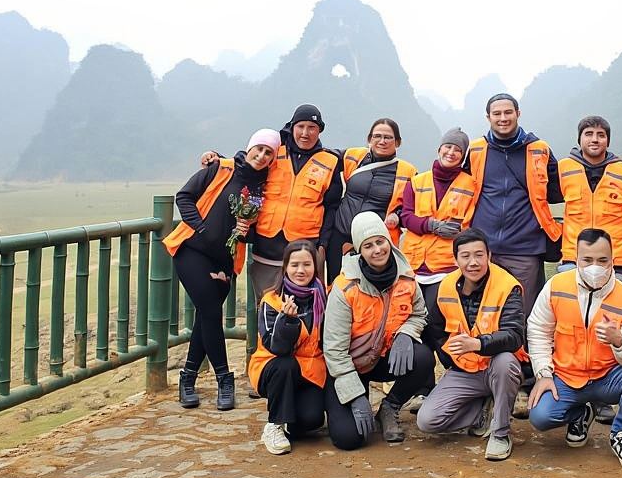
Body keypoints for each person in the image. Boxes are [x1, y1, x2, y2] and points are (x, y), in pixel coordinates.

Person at [165, 129, 278, 411]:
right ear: (249, 147)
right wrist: (201, 228)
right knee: (211, 311)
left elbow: (251, 230)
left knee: (207, 315)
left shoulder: (261, 189)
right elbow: (184, 197)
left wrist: (244, 232)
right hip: (191, 250)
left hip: (225, 259)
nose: (262, 156)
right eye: (259, 149)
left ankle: (187, 378)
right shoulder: (220, 167)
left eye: (269, 153)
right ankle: (224, 380)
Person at [525, 228, 622, 471]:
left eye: (602, 260)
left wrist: (619, 341)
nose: (595, 266)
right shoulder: (556, 286)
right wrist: (543, 373)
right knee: (540, 417)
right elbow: (538, 329)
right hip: (566, 376)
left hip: (608, 377)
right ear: (576, 258)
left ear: (612, 260)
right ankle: (579, 415)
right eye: (587, 260)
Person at [323, 211, 435, 450]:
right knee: (349, 439)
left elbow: (419, 314)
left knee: (423, 356)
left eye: (380, 241)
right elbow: (334, 351)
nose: (377, 250)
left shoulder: (406, 277)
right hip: (350, 367)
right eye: (368, 245)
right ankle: (343, 402)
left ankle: (390, 406)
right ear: (359, 251)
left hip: (387, 359)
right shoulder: (345, 288)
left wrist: (406, 333)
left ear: (389, 241)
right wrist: (355, 396)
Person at [417, 230, 525, 461]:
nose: (473, 262)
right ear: (456, 260)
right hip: (465, 369)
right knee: (427, 421)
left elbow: (515, 335)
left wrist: (477, 344)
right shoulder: (445, 287)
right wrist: (449, 358)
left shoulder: (508, 286)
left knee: (505, 362)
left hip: (497, 366)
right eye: (465, 256)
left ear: (489, 256)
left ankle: (501, 433)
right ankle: (481, 413)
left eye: (479, 255)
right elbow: (436, 328)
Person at [464, 95, 562, 321]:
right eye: (496, 114)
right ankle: (487, 355)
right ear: (488, 117)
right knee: (483, 311)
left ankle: (525, 355)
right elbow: (460, 187)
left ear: (518, 113)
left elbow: (558, 190)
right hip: (483, 246)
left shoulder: (539, 149)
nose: (503, 118)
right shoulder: (477, 149)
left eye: (508, 112)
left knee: (525, 312)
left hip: (525, 247)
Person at [251, 104, 342, 301]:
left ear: (320, 130)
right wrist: (215, 156)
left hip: (305, 246)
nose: (305, 133)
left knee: (304, 307)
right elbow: (247, 163)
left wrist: (323, 245)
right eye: (300, 126)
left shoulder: (331, 161)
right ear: (292, 127)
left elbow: (331, 207)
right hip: (266, 245)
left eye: (312, 127)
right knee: (266, 305)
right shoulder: (274, 152)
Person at [248, 240, 328, 455]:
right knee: (285, 364)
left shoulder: (324, 297)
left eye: (307, 264)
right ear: (285, 267)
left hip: (310, 370)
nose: (301, 271)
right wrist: (288, 322)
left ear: (316, 267)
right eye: (294, 265)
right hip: (274, 368)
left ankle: (292, 416)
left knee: (311, 420)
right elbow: (276, 348)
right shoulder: (271, 300)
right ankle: (274, 424)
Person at [399, 127, 476, 325]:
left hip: (446, 266)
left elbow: (474, 222)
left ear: (463, 156)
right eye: (447, 147)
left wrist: (460, 233)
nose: (451, 152)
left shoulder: (471, 185)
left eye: (457, 150)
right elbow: (406, 217)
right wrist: (431, 225)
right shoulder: (416, 181)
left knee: (434, 321)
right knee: (407, 317)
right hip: (412, 265)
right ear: (439, 149)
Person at [329, 118, 417, 281]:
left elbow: (413, 207)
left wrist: (397, 215)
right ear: (369, 139)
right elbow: (324, 157)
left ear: (397, 142)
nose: (382, 141)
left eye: (388, 137)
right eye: (377, 136)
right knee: (335, 285)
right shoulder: (354, 156)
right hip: (340, 235)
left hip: (374, 242)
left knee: (367, 289)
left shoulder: (408, 172)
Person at [557, 116, 622, 289]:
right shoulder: (562, 169)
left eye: (601, 135)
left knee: (618, 312)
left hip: (619, 260)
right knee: (572, 312)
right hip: (575, 258)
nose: (595, 139)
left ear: (608, 141)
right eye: (588, 134)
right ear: (579, 139)